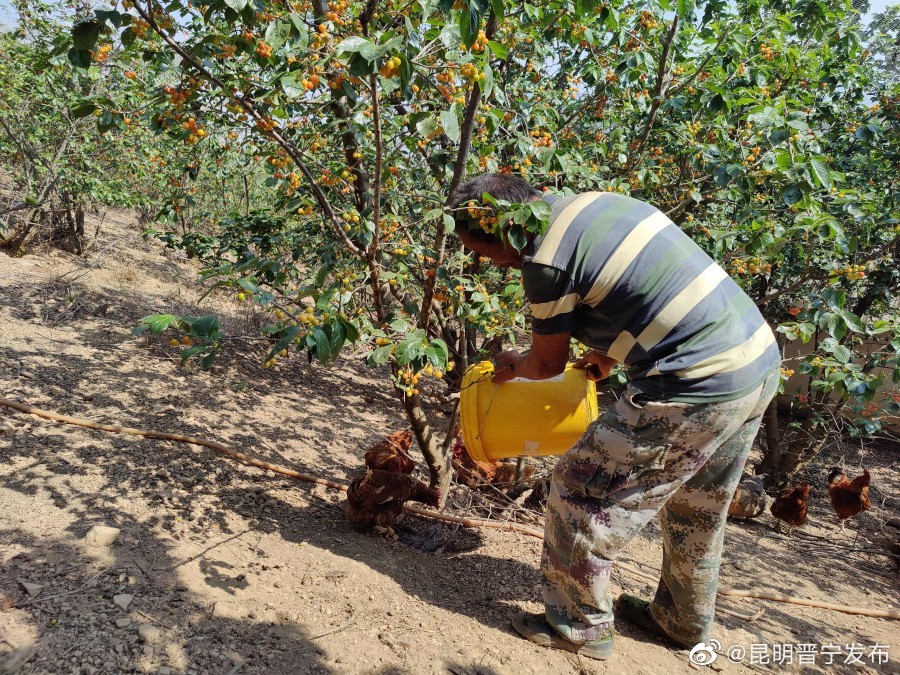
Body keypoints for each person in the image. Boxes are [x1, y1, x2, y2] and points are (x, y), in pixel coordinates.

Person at [449, 174, 780, 660]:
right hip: (754, 363)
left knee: (580, 490)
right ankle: (681, 621)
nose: (485, 262)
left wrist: (511, 363)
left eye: (481, 250)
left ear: (502, 229)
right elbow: (638, 291)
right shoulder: (595, 203)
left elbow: (545, 365)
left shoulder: (544, 261)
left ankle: (579, 627)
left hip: (694, 384)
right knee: (698, 504)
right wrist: (609, 353)